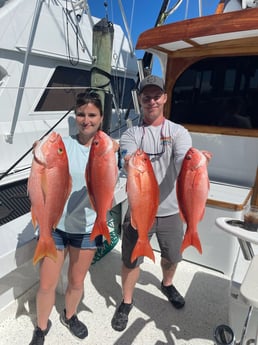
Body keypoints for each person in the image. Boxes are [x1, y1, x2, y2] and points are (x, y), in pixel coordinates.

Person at [29, 91, 117, 345]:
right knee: (47, 283)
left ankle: (70, 315)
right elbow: (42, 172)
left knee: (77, 281)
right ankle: (41, 327)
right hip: (55, 226)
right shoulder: (62, 145)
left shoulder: (108, 148)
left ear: (101, 118)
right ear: (75, 116)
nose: (86, 120)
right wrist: (39, 151)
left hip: (88, 228)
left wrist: (117, 156)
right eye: (81, 114)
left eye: (92, 115)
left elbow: (110, 185)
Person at [111, 75, 192, 332]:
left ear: (165, 98)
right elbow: (127, 156)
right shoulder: (131, 133)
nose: (152, 101)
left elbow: (182, 159)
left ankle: (167, 284)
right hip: (138, 210)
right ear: (140, 101)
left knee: (172, 256)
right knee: (129, 260)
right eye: (146, 97)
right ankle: (126, 301)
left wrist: (193, 163)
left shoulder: (179, 132)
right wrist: (128, 160)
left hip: (170, 210)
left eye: (157, 96)